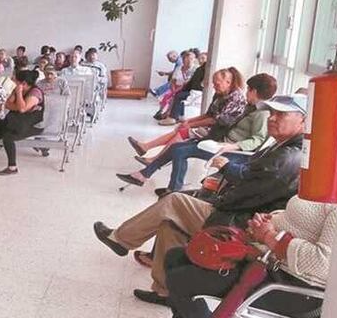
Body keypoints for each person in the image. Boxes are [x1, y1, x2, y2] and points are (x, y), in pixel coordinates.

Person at [92, 95, 307, 304]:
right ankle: (165, 291)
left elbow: (246, 196)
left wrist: (214, 198)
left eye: (281, 114)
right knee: (170, 224)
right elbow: (250, 184)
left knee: (174, 201)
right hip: (239, 213)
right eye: (272, 113)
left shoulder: (287, 157)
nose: (272, 118)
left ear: (303, 121)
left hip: (241, 225)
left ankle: (121, 240)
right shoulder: (281, 147)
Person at [158, 195, 334, 318]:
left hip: (293, 288)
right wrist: (267, 221)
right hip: (265, 261)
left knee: (181, 280)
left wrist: (269, 236)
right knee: (176, 257)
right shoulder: (320, 187)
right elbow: (299, 222)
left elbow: (321, 263)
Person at [119, 72, 272, 193]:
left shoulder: (262, 113)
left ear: (255, 91)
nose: (246, 93)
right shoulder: (251, 107)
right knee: (177, 147)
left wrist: (233, 146)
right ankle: (151, 177)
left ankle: (168, 185)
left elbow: (257, 139)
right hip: (218, 141)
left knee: (179, 150)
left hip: (227, 150)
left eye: (249, 90)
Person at [127, 68, 247, 158]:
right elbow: (208, 114)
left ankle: (155, 157)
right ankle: (147, 148)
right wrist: (188, 121)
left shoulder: (236, 97)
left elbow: (216, 120)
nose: (214, 86)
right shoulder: (220, 93)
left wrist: (191, 125)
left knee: (182, 132)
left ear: (228, 82)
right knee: (180, 128)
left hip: (220, 132)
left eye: (217, 84)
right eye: (213, 83)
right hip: (213, 127)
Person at [159, 51, 209, 124]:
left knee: (179, 95)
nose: (201, 60)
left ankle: (172, 117)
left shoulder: (202, 69)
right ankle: (174, 115)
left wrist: (181, 88)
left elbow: (195, 83)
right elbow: (175, 80)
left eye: (203, 58)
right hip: (188, 88)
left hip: (197, 92)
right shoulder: (199, 69)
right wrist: (179, 89)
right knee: (175, 94)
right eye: (200, 58)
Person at [84, 47, 109, 118]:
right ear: (87, 56)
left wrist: (96, 79)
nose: (92, 57)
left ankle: (91, 111)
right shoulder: (82, 64)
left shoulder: (100, 66)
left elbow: (104, 79)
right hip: (84, 84)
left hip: (95, 85)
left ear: (97, 56)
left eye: (94, 55)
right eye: (90, 55)